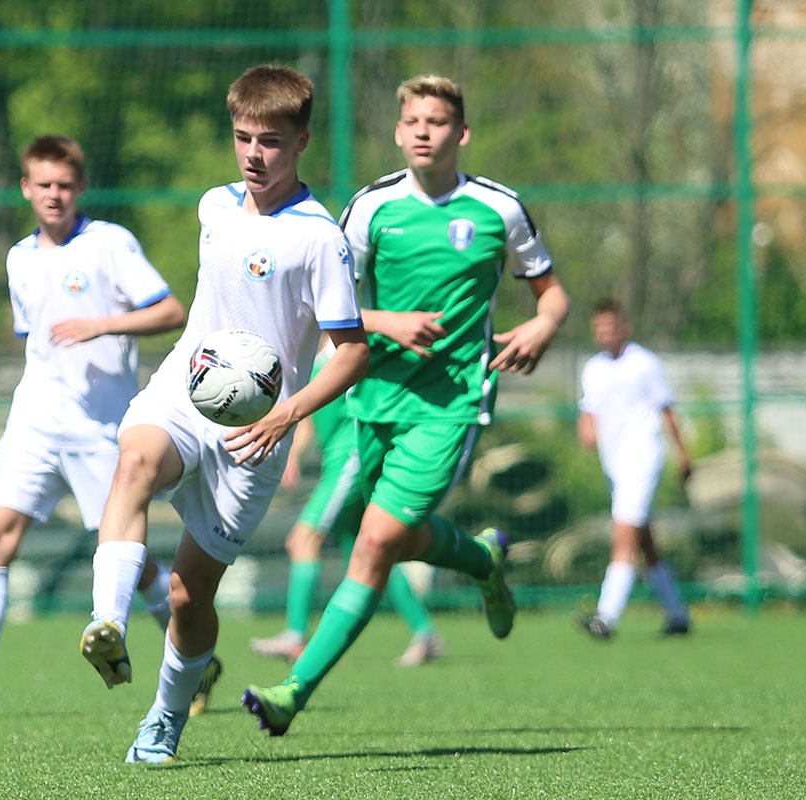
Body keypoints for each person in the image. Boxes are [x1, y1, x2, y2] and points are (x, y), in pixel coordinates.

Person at [242, 73, 570, 737]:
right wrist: (387, 323)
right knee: (385, 539)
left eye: (438, 122)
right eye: (413, 121)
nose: (424, 131)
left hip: (451, 404)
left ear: (462, 133)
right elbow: (320, 303)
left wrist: (543, 325)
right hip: (371, 397)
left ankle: (291, 694)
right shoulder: (370, 208)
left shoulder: (497, 209)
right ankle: (482, 560)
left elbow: (552, 294)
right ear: (398, 132)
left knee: (376, 541)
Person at [77, 64, 369, 764]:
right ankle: (108, 623)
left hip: (257, 433)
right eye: (242, 138)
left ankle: (164, 719)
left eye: (270, 140)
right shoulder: (214, 206)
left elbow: (352, 351)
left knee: (187, 594)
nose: (253, 154)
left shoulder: (319, 238)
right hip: (186, 389)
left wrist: (286, 417)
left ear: (301, 140)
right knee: (136, 461)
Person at [0, 135, 187, 720]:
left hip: (102, 428)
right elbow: (35, 341)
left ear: (80, 189)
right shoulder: (19, 257)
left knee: (130, 558)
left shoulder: (110, 244)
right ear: (25, 188)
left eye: (64, 185)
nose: (54, 195)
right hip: (36, 423)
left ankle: (193, 655)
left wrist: (103, 325)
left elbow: (172, 311)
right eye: (43, 185)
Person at [249, 337, 444, 667]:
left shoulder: (350, 348)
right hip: (335, 462)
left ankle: (296, 636)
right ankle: (425, 634)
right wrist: (294, 455)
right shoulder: (308, 355)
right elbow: (309, 420)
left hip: (352, 458)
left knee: (302, 540)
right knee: (370, 551)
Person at [573, 298, 693, 639]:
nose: (605, 334)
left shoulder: (644, 363)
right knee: (645, 542)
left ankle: (605, 618)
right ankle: (678, 616)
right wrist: (585, 428)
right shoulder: (593, 368)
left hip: (643, 459)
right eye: (599, 329)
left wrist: (684, 455)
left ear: (623, 327)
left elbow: (666, 409)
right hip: (614, 465)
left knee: (622, 536)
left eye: (610, 327)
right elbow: (589, 409)